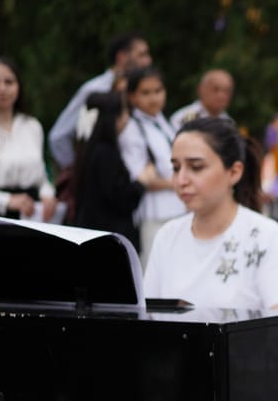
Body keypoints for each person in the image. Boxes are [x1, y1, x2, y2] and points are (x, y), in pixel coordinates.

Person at [144, 118, 278, 312]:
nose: (181, 180)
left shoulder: (267, 238)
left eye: (196, 167)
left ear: (234, 172)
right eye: (176, 168)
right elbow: (147, 320)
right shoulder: (167, 236)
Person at [47, 32, 151, 170]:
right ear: (121, 57)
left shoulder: (143, 90)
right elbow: (58, 137)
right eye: (142, 55)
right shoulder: (95, 90)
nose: (148, 61)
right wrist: (77, 173)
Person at [0, 57, 60, 222]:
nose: (2, 89)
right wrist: (8, 201)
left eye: (9, 82)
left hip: (33, 213)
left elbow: (41, 174)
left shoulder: (32, 125)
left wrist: (48, 195)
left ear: (19, 86)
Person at [119, 66, 182, 255]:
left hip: (179, 208)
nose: (154, 98)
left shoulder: (165, 122)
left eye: (158, 91)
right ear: (132, 97)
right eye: (145, 93)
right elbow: (141, 177)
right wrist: (174, 183)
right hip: (153, 213)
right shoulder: (132, 129)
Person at [70, 92, 143, 244]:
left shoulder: (87, 148)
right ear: (113, 118)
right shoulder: (105, 153)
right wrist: (141, 184)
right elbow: (118, 199)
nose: (127, 117)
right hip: (108, 237)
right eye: (124, 111)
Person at [169, 68, 236, 130]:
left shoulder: (229, 122)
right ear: (201, 89)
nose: (221, 96)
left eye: (227, 91)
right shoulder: (182, 118)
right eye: (216, 89)